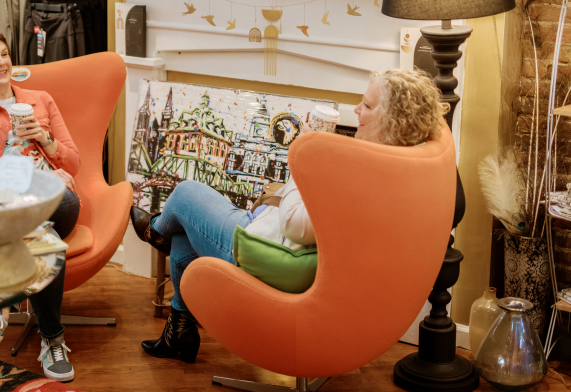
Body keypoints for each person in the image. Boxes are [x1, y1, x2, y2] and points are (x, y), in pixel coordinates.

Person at [130, 69, 450, 363]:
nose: (355, 110)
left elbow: (297, 226)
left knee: (185, 194)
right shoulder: (388, 166)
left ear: (391, 118)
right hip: (273, 241)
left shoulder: (368, 177)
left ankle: (155, 232)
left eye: (365, 105)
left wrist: (303, 157)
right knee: (185, 240)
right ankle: (178, 333)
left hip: (267, 251)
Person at [0, 31, 80, 382]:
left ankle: (1, 302)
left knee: (60, 201)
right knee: (46, 238)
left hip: (55, 198)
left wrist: (44, 137)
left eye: (5, 54)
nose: (2, 62)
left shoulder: (40, 100)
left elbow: (74, 163)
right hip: (3, 205)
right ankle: (53, 341)